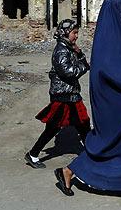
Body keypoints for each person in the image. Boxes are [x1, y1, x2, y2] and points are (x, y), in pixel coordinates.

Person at [53, 0, 121, 210]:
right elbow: (112, 71)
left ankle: (71, 170)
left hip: (118, 98)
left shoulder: (111, 35)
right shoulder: (112, 38)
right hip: (119, 99)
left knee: (110, 142)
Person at [24, 19, 91, 169]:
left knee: (82, 123)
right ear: (66, 33)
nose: (76, 36)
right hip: (62, 95)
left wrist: (80, 54)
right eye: (74, 33)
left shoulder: (69, 48)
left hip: (70, 94)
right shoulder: (61, 50)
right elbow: (68, 72)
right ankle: (33, 154)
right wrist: (84, 66)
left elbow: (78, 63)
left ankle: (92, 153)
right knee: (56, 127)